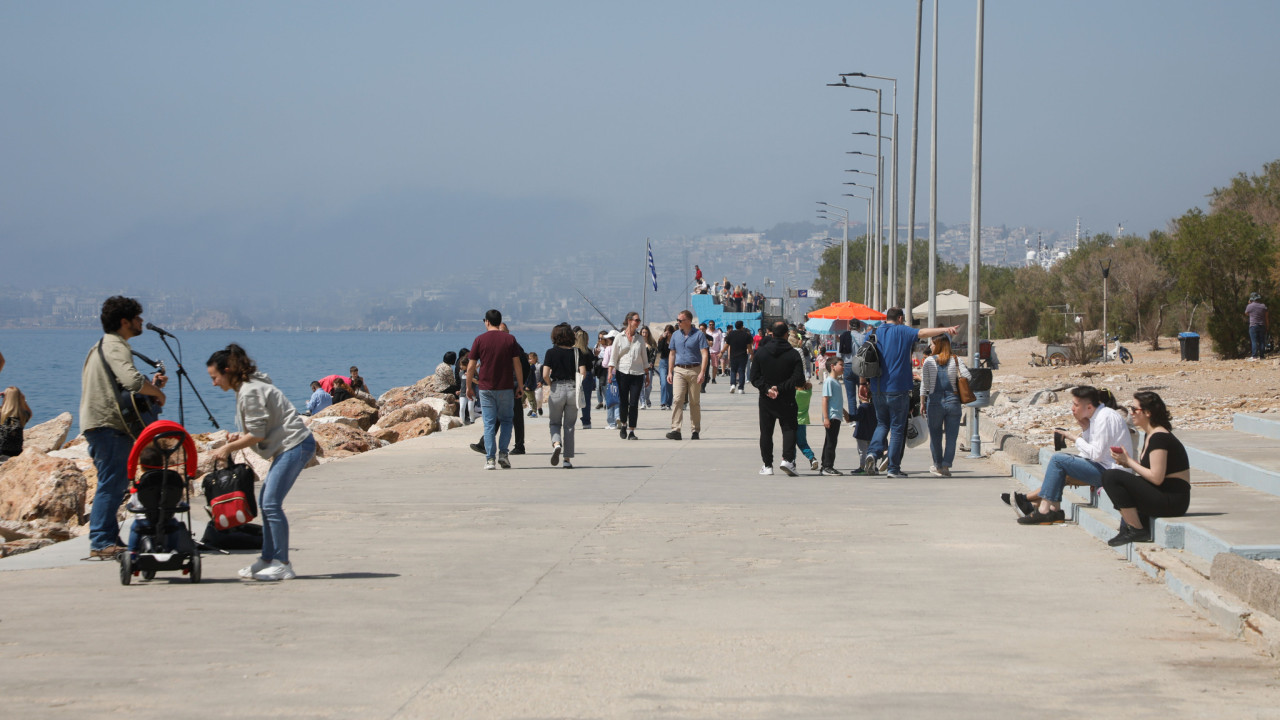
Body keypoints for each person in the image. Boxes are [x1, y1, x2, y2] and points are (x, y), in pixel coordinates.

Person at [207, 344, 316, 581]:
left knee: (271, 503)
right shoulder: (247, 387)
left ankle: (283, 564)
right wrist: (239, 436)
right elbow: (260, 428)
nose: (214, 383)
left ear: (227, 371)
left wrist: (227, 447)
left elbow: (256, 435)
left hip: (295, 444)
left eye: (215, 377)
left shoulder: (249, 391)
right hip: (288, 445)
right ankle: (267, 559)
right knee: (266, 502)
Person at [80, 296, 168, 559]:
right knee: (112, 482)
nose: (141, 322)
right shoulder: (116, 345)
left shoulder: (101, 346)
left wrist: (151, 387)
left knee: (114, 481)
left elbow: (120, 388)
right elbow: (131, 381)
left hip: (101, 422)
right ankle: (101, 542)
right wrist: (158, 395)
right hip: (108, 424)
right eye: (138, 318)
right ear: (124, 322)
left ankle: (108, 538)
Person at [860, 308, 960, 478]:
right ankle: (893, 468)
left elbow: (864, 357)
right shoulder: (901, 330)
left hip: (877, 387)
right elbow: (922, 332)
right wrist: (944, 330)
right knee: (898, 428)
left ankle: (872, 453)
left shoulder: (873, 333)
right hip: (898, 387)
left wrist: (862, 383)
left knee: (882, 424)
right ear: (900, 318)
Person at [1015, 386, 1135, 525]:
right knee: (1060, 462)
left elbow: (1095, 455)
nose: (1072, 408)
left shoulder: (1104, 418)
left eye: (1076, 405)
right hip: (1104, 466)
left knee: (1057, 460)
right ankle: (1054, 509)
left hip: (1112, 474)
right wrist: (1085, 428)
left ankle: (1044, 511)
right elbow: (1093, 451)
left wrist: (1073, 438)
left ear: (1089, 407)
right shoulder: (1098, 416)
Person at [1101, 392, 1192, 546]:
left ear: (1147, 412)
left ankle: (1136, 529)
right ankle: (1129, 527)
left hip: (1173, 500)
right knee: (1115, 477)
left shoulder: (1159, 438)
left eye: (1134, 409)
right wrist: (1126, 462)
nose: (1131, 412)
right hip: (1163, 494)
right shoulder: (1150, 436)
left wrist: (1129, 462)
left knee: (1112, 477)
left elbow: (1156, 477)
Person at [466, 309, 524, 470]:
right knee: (506, 421)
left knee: (489, 423)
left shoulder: (479, 339)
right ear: (499, 321)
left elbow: (471, 366)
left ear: (487, 321)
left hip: (485, 388)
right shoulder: (510, 339)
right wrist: (520, 385)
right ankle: (504, 455)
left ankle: (490, 459)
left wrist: (469, 386)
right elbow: (517, 364)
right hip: (506, 387)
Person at [750, 321, 806, 476]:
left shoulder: (761, 352)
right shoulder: (793, 353)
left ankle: (767, 465)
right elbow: (799, 379)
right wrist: (780, 388)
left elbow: (753, 376)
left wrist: (767, 388)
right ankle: (787, 460)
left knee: (766, 431)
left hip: (766, 399)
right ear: (786, 334)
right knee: (789, 429)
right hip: (787, 398)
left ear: (771, 334)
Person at [920, 334, 971, 477]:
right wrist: (958, 379)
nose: (930, 346)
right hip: (953, 400)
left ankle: (937, 465)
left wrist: (922, 402)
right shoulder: (955, 359)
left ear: (939, 345)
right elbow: (968, 375)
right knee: (951, 436)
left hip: (934, 401)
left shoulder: (929, 361)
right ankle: (946, 466)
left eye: (932, 344)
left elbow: (924, 384)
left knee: (935, 435)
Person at [543, 323, 591, 469]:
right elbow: (583, 373)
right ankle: (567, 460)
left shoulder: (550, 352)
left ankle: (557, 443)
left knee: (554, 422)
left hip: (557, 387)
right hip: (572, 389)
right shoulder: (577, 352)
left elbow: (545, 374)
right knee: (569, 426)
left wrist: (551, 384)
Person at [666, 309, 708, 441]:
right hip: (679, 370)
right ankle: (675, 429)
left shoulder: (699, 335)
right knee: (677, 399)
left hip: (694, 369)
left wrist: (702, 372)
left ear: (688, 321)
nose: (678, 322)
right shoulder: (675, 335)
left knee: (694, 402)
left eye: (680, 320)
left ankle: (695, 430)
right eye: (677, 320)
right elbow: (672, 353)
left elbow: (704, 353)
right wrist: (670, 371)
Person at [610, 314, 650, 439]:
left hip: (637, 374)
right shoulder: (619, 337)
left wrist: (647, 374)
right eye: (636, 320)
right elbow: (613, 356)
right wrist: (610, 373)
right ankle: (623, 424)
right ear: (629, 321)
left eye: (639, 320)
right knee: (623, 402)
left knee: (633, 403)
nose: (638, 322)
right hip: (622, 372)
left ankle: (632, 430)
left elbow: (644, 358)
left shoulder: (640, 339)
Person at [820, 356, 850, 476]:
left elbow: (836, 401)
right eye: (841, 365)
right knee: (831, 442)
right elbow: (825, 400)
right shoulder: (829, 381)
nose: (843, 367)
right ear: (833, 366)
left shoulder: (836, 382)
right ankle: (828, 466)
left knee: (830, 441)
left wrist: (845, 413)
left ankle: (825, 465)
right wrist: (826, 417)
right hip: (831, 416)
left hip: (836, 415)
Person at [793, 379, 819, 471]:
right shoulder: (808, 393)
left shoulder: (795, 394)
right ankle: (812, 458)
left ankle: (791, 461)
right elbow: (810, 385)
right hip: (803, 421)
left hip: (792, 421)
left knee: (791, 443)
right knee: (802, 443)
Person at [0, 386, 33, 460]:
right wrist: (23, 401)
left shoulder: (1, 414)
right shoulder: (22, 415)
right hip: (16, 452)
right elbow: (30, 413)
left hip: (1, 452)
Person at [724, 320, 754, 394]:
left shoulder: (731, 334)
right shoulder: (746, 335)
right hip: (743, 355)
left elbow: (727, 345)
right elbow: (749, 346)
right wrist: (752, 354)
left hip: (733, 355)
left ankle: (733, 384)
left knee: (733, 370)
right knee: (741, 371)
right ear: (742, 326)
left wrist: (721, 352)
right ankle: (740, 388)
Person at [574, 327, 596, 429]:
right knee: (586, 400)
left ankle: (571, 421)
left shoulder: (574, 351)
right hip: (587, 376)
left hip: (576, 375)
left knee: (574, 400)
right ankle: (586, 422)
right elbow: (592, 364)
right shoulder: (588, 351)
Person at [1246, 292, 1269, 360]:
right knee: (1262, 341)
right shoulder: (1263, 306)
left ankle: (1254, 356)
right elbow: (1266, 317)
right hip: (1262, 325)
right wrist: (1267, 326)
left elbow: (1246, 313)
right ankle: (1262, 356)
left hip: (1253, 325)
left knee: (1254, 341)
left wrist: (1249, 304)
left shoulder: (1249, 306)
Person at [656, 325, 674, 410]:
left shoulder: (674, 340)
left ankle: (668, 403)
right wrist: (663, 338)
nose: (668, 334)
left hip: (672, 363)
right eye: (667, 332)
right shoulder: (662, 340)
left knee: (669, 384)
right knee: (663, 382)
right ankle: (663, 402)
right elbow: (659, 350)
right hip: (663, 362)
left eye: (669, 332)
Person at [639, 326, 658, 410]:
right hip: (639, 367)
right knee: (640, 385)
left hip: (648, 367)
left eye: (646, 332)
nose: (644, 334)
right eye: (643, 332)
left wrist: (651, 363)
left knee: (648, 386)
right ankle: (642, 402)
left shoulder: (652, 343)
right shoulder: (638, 342)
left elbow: (654, 354)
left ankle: (647, 398)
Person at [524, 351, 542, 418]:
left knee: (535, 399)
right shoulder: (529, 366)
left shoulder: (533, 367)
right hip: (526, 386)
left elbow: (530, 378)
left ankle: (537, 410)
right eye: (528, 359)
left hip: (532, 386)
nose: (529, 360)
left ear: (535, 358)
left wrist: (541, 382)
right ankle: (531, 410)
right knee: (527, 399)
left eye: (530, 359)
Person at [706, 320, 724, 385]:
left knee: (715, 366)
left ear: (714, 325)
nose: (711, 326)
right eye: (710, 324)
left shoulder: (718, 332)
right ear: (708, 325)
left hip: (715, 351)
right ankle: (707, 376)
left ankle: (713, 378)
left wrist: (721, 351)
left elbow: (722, 341)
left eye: (712, 324)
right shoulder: (706, 332)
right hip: (707, 351)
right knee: (705, 365)